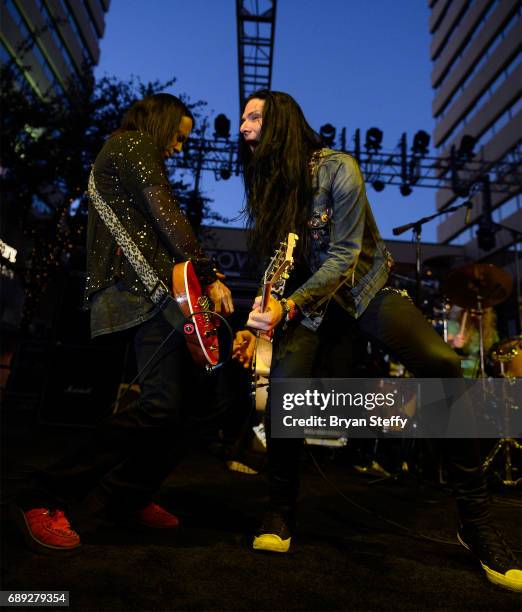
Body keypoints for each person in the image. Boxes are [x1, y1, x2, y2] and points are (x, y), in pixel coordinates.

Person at [233, 90, 521, 592]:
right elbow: (279, 263)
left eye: (253, 117)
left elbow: (344, 256)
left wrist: (289, 306)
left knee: (444, 368)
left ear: (280, 122)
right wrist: (260, 312)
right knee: (285, 390)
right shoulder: (270, 186)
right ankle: (279, 511)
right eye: (241, 119)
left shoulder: (338, 168)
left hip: (366, 292)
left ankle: (476, 523)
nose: (242, 127)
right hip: (311, 309)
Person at [13, 93, 233, 553]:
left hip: (160, 293)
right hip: (144, 294)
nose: (178, 147)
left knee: (203, 400)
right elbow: (168, 219)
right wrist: (210, 276)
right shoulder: (132, 145)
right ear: (161, 123)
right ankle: (43, 495)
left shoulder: (131, 154)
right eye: (178, 135)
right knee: (161, 406)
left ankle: (126, 498)